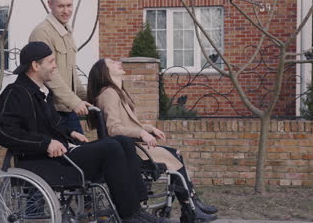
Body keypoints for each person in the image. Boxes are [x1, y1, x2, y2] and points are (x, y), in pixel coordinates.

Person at [0, 42, 170, 223]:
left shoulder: (42, 92)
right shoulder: (15, 93)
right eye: (51, 61)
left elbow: (51, 126)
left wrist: (70, 133)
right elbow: (3, 132)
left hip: (63, 153)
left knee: (122, 141)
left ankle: (137, 209)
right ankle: (130, 216)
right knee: (111, 147)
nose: (55, 66)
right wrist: (45, 143)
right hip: (46, 162)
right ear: (35, 65)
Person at [87, 58, 219, 223]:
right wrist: (142, 133)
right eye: (112, 63)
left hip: (132, 146)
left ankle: (191, 206)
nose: (118, 62)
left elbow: (128, 124)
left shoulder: (118, 92)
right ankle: (190, 207)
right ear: (104, 72)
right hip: (127, 150)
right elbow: (113, 129)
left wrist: (149, 129)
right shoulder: (109, 94)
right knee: (175, 155)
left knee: (175, 154)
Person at [29, 0, 89, 134]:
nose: (66, 11)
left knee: (80, 153)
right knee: (73, 155)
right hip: (51, 110)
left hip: (67, 107)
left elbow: (71, 72)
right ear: (50, 4)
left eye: (69, 5)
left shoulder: (66, 31)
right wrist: (74, 102)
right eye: (61, 6)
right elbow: (50, 75)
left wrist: (85, 96)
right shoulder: (42, 33)